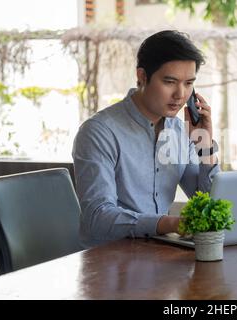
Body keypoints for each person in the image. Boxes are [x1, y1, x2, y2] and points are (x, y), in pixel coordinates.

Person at [72, 30, 220, 248]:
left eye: (188, 83)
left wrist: (205, 146)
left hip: (157, 255)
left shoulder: (180, 132)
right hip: (106, 262)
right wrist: (169, 224)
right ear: (142, 76)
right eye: (170, 82)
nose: (180, 94)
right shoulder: (99, 132)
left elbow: (208, 203)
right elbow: (98, 217)